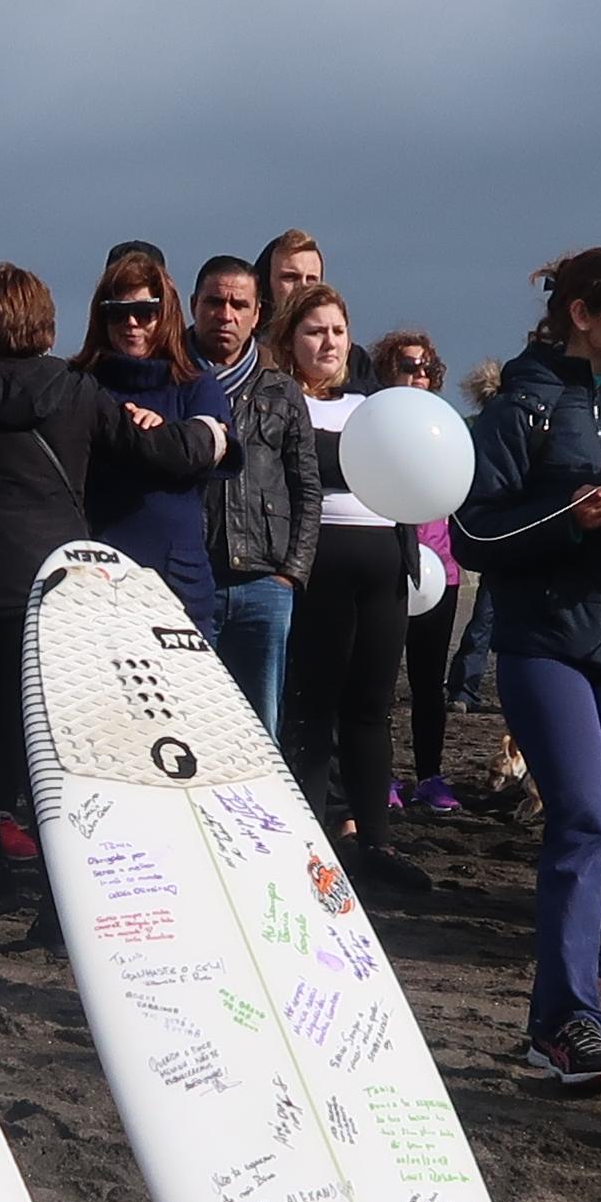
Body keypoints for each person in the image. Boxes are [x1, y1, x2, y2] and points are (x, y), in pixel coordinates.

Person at [0, 261, 220, 926]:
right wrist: (207, 433)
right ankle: (64, 902)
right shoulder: (76, 391)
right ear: (42, 320)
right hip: (58, 595)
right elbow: (154, 457)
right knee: (55, 750)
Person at [463, 250, 601, 1090]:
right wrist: (566, 518)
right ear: (583, 314)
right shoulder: (520, 407)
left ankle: (550, 1023)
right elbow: (476, 535)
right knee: (582, 820)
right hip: (543, 642)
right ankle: (570, 1024)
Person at [269, 283, 405, 867]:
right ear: (290, 340)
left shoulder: (374, 405)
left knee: (372, 707)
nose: (329, 342)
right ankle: (312, 845)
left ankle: (375, 841)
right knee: (315, 705)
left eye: (338, 331)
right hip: (316, 564)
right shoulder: (278, 401)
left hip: (383, 567)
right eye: (314, 331)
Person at [186, 252, 323, 734]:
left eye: (238, 305)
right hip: (186, 581)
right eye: (214, 303)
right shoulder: (171, 378)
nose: (225, 315)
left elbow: (307, 487)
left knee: (258, 731)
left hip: (263, 583)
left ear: (257, 314)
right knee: (187, 724)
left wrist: (292, 574)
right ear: (193, 305)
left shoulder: (281, 391)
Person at [72, 254, 237, 634]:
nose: (131, 323)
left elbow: (219, 446)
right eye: (118, 312)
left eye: (145, 312)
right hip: (94, 583)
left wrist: (164, 433)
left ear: (167, 316)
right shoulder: (78, 384)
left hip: (179, 585)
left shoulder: (195, 383)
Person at [371, 328, 469, 818]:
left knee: (429, 682)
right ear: (388, 369)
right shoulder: (374, 422)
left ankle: (430, 774)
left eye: (427, 367)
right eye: (409, 365)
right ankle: (381, 774)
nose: (419, 374)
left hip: (440, 570)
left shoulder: (443, 425)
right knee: (380, 679)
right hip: (387, 563)